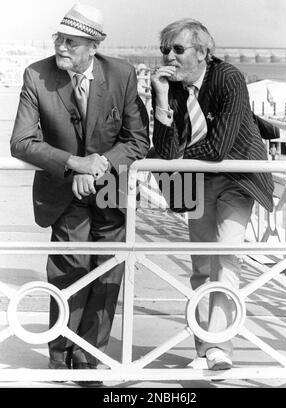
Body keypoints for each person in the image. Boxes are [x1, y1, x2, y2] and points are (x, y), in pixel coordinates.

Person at [10, 3, 149, 386]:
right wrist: (74, 162)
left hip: (110, 188)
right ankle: (60, 354)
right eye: (59, 39)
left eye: (71, 42)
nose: (62, 47)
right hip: (64, 190)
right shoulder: (37, 75)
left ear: (94, 46)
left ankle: (90, 360)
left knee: (107, 271)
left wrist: (99, 163)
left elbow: (138, 140)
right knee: (69, 272)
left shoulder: (121, 74)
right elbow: (20, 142)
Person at [150, 19, 274, 371]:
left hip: (238, 177)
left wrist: (176, 157)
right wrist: (160, 97)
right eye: (164, 50)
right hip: (198, 180)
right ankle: (204, 348)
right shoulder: (169, 86)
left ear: (203, 53)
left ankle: (220, 346)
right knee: (201, 266)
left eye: (178, 49)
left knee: (226, 255)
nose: (169, 57)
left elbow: (219, 148)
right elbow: (164, 147)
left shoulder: (228, 78)